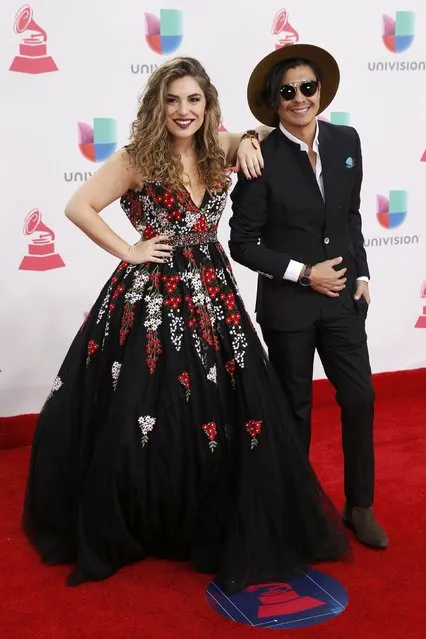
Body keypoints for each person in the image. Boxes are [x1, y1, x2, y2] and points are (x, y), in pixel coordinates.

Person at [23, 56, 349, 591]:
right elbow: (79, 206)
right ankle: (151, 514)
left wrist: (247, 135)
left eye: (194, 100)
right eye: (173, 99)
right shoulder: (136, 159)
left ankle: (202, 508)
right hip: (152, 299)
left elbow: (274, 127)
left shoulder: (219, 147)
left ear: (207, 106)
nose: (183, 110)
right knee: (151, 410)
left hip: (214, 296)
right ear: (158, 105)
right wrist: (130, 250)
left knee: (220, 410)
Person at [229, 44, 388, 549]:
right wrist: (303, 274)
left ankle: (359, 505)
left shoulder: (347, 140)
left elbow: (352, 215)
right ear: (273, 101)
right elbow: (242, 243)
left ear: (321, 91)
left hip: (343, 299)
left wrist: (361, 273)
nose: (299, 99)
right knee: (294, 410)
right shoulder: (259, 156)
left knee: (360, 398)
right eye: (287, 92)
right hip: (289, 307)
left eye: (307, 88)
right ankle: (296, 511)